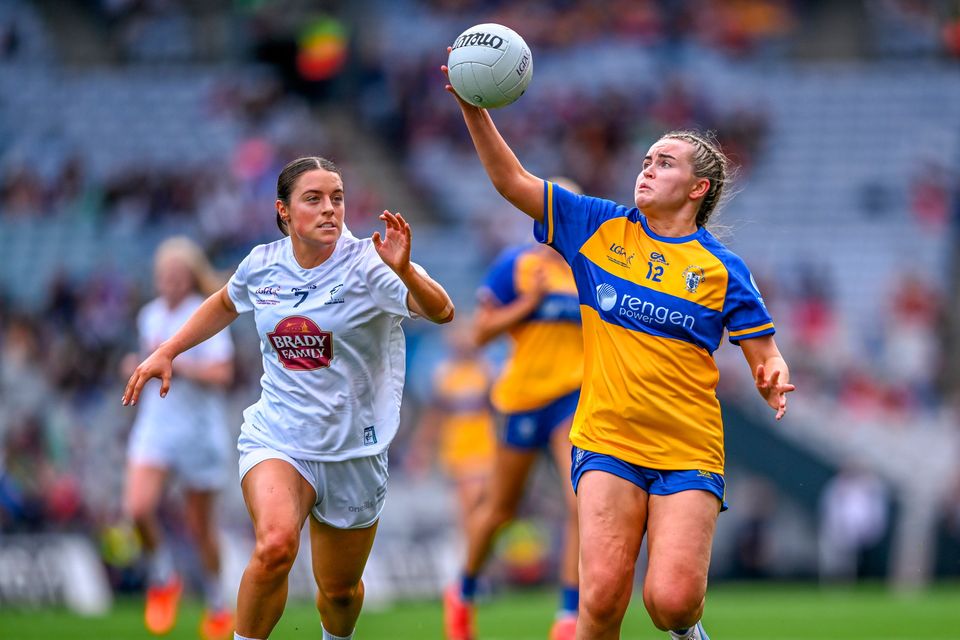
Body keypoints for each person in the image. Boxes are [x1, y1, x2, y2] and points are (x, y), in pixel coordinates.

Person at [443, 59, 795, 640]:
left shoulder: (723, 269)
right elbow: (513, 182)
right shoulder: (597, 227)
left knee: (672, 603)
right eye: (645, 160)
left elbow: (765, 353)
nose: (646, 169)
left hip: (688, 446)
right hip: (606, 438)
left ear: (698, 188)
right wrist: (473, 109)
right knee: (601, 601)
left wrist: (773, 373)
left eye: (664, 162)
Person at [122, 156, 454, 640]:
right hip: (278, 437)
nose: (329, 210)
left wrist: (406, 272)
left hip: (353, 452)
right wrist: (168, 350)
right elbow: (222, 303)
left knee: (339, 593)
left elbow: (442, 311)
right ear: (283, 211)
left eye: (337, 198)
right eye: (314, 199)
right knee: (275, 546)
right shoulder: (262, 265)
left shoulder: (372, 263)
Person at [443, 178, 585, 640]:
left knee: (579, 499)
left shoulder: (590, 270)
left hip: (574, 396)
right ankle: (463, 590)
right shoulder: (515, 266)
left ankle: (568, 615)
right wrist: (529, 304)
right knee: (500, 510)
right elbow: (479, 334)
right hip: (523, 397)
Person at [122, 236, 236, 640]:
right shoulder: (149, 316)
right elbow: (148, 364)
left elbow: (223, 373)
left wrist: (176, 363)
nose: (169, 282)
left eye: (177, 275)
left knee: (201, 527)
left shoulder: (202, 316)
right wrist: (136, 369)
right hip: (157, 426)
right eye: (163, 275)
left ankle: (219, 604)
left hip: (198, 433)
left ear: (191, 277)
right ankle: (163, 577)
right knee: (138, 507)